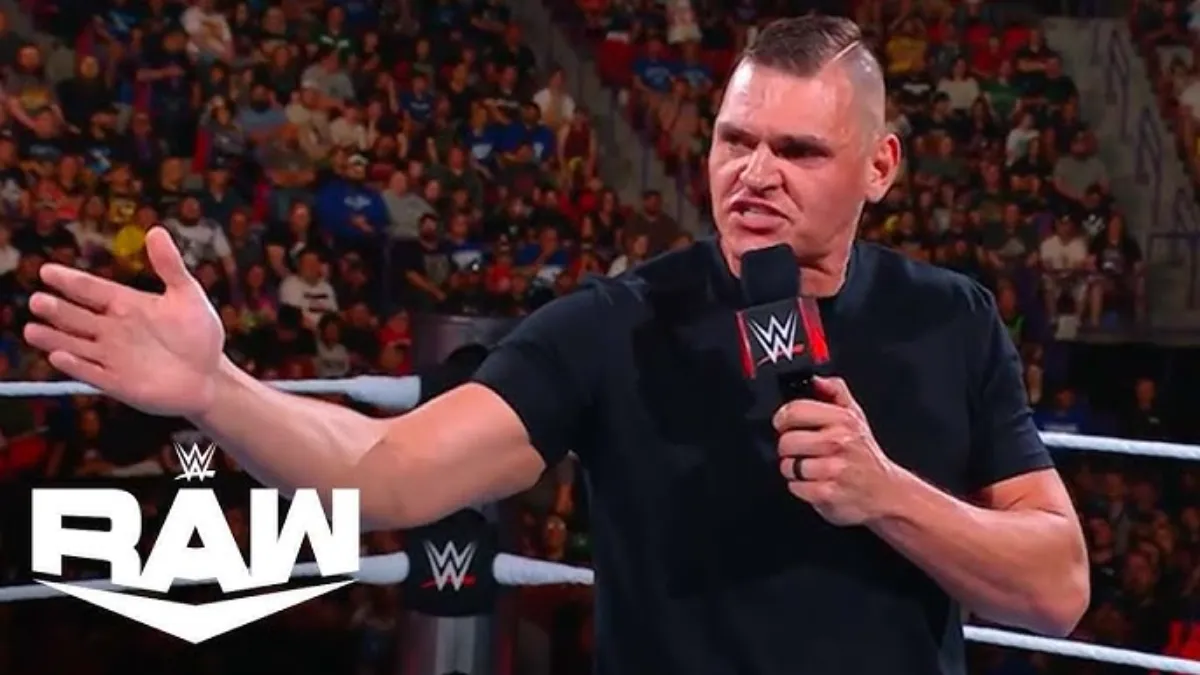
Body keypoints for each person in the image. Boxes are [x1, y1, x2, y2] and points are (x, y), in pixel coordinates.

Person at [23, 15, 1087, 675]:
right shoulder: (616, 323)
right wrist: (214, 390)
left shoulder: (952, 318)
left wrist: (885, 492)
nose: (755, 174)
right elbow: (387, 472)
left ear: (880, 167)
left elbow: (1057, 587)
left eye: (798, 150)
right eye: (735, 140)